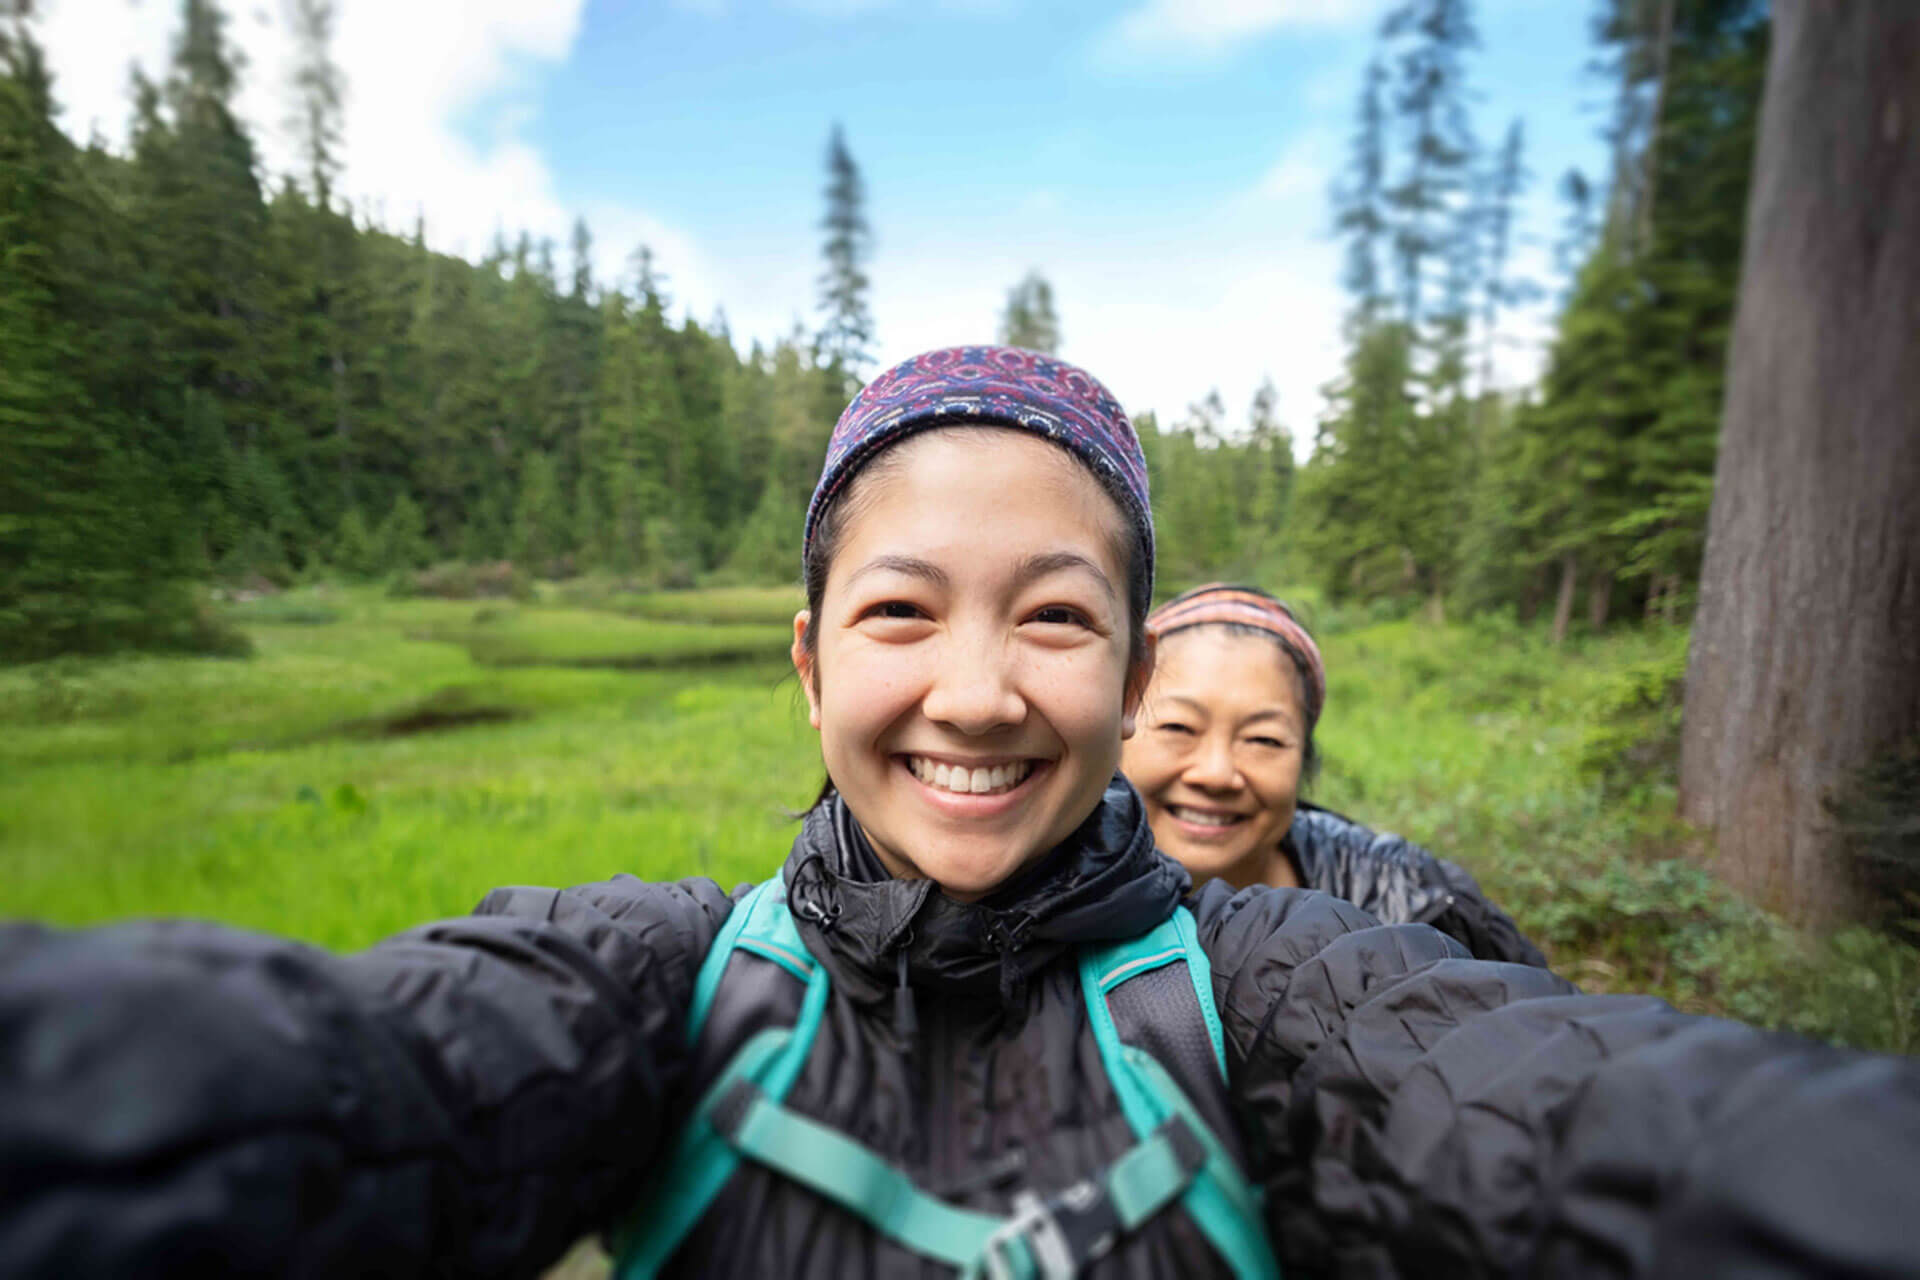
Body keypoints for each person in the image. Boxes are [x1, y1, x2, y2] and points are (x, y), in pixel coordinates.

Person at [2, 345, 1918, 1279]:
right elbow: (335, 1088)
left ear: (1127, 671)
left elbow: (1604, 1130)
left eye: (1057, 619)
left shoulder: (1280, 987)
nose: (980, 690)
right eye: (902, 611)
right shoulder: (657, 984)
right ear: (809, 661)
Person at [1122, 584, 1546, 966]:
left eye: (1263, 739)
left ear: (1304, 757)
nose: (1216, 774)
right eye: (1178, 727)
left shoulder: (1414, 897)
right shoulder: (1078, 912)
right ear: (1117, 730)